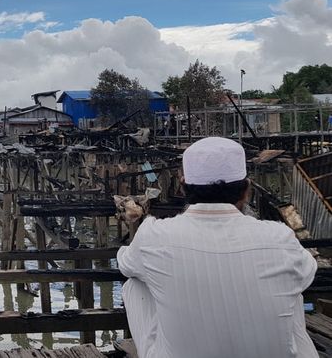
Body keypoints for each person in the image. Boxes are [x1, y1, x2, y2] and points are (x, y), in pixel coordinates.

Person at [118, 137, 317, 358]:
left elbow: (126, 264)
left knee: (136, 283)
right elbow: (308, 270)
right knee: (293, 290)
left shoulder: (153, 235)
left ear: (183, 187)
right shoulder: (280, 237)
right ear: (246, 190)